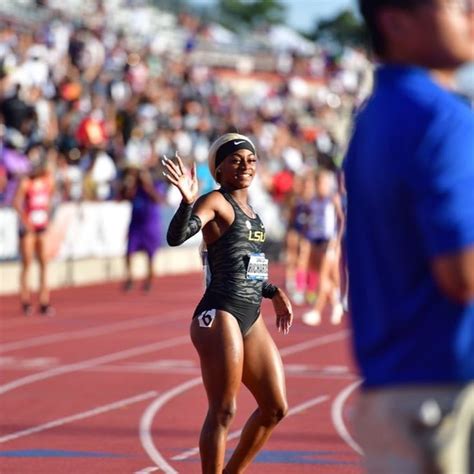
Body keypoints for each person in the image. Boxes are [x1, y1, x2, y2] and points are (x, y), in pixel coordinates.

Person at [344, 1, 474, 472]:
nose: (472, 13)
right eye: (456, 6)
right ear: (396, 21)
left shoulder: (375, 116)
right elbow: (462, 274)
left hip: (394, 388)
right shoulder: (441, 117)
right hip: (445, 391)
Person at [163, 133, 293, 474]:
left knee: (275, 407)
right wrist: (187, 202)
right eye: (236, 160)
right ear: (218, 170)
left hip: (251, 315)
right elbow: (176, 237)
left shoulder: (254, 215)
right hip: (219, 312)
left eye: (251, 160)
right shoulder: (215, 202)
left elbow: (250, 268)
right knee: (224, 410)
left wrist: (273, 292)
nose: (245, 165)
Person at [13, 143, 55, 316]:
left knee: (44, 262)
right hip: (29, 227)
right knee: (27, 263)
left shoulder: (48, 180)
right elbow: (17, 203)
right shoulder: (25, 183)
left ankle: (44, 300)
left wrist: (47, 217)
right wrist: (26, 220)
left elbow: (49, 201)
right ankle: (26, 300)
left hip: (42, 225)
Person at [302, 169, 344, 326]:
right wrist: (306, 234)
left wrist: (337, 240)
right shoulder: (312, 201)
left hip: (329, 241)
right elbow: (308, 219)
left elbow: (341, 220)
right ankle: (336, 303)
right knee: (321, 275)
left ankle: (317, 312)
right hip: (315, 240)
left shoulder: (332, 199)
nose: (320, 186)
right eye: (318, 183)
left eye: (323, 183)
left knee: (324, 276)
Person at [121, 164, 165, 292]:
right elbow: (125, 196)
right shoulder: (135, 188)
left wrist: (147, 184)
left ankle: (149, 280)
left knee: (150, 256)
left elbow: (158, 199)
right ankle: (130, 277)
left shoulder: (156, 185)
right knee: (129, 252)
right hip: (136, 225)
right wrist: (131, 181)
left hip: (150, 226)